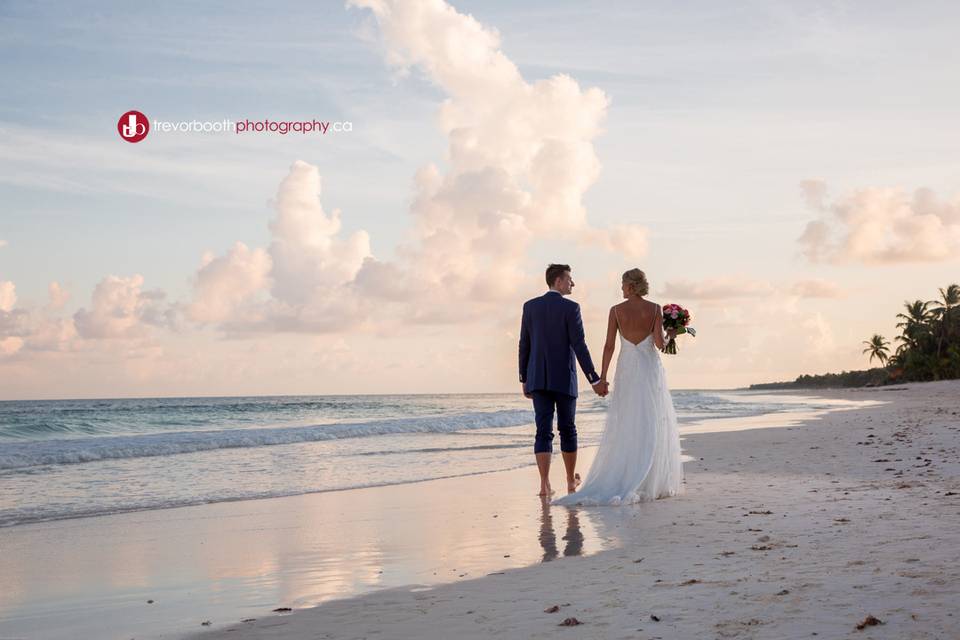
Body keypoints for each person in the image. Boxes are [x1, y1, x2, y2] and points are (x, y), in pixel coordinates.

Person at [553, 268, 685, 506]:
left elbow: (609, 346)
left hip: (626, 369)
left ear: (631, 286)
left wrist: (602, 378)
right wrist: (672, 334)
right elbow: (659, 344)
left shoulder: (615, 311)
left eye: (623, 284)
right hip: (648, 369)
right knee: (651, 418)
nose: (621, 288)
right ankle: (648, 477)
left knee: (626, 420)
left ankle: (625, 470)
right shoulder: (655, 309)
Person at [518, 264, 607, 497]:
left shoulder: (530, 307)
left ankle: (544, 484)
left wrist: (524, 377)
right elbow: (579, 345)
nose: (572, 284)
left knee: (543, 430)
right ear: (558, 281)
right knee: (567, 429)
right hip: (564, 379)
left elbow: (524, 344)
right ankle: (569, 482)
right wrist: (594, 378)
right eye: (569, 279)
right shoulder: (571, 308)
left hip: (537, 378)